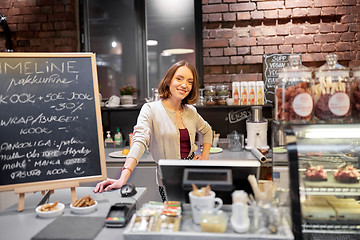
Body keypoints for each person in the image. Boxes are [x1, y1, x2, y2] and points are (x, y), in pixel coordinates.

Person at [93, 61, 213, 201]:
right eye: (179, 78)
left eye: (190, 82)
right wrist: (123, 177)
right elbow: (139, 141)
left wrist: (204, 156)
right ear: (168, 81)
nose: (184, 85)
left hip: (193, 174)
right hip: (168, 178)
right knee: (172, 216)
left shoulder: (191, 111)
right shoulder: (151, 109)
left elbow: (207, 131)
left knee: (194, 214)